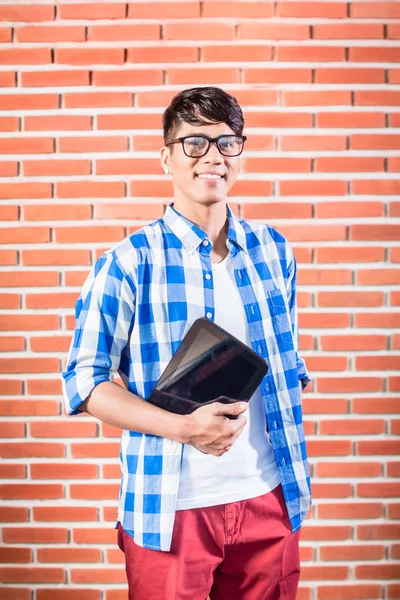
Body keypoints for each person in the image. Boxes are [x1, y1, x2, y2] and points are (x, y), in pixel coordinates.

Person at [62, 86, 312, 600]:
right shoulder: (128, 262)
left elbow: (286, 366)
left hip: (270, 498)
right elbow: (84, 383)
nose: (213, 156)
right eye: (194, 142)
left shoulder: (274, 251)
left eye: (227, 142)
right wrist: (183, 427)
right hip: (170, 510)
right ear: (166, 157)